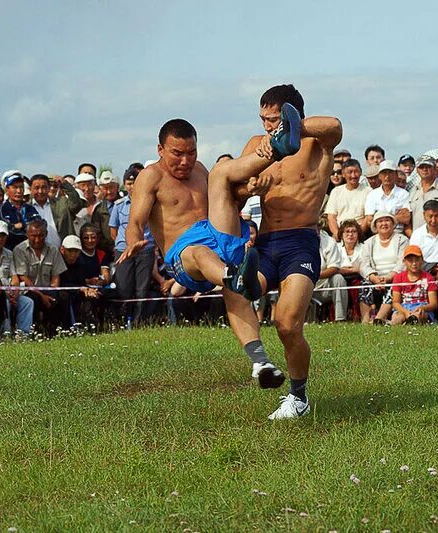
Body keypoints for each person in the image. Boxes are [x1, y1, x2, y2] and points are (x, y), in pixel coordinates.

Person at [119, 116, 287, 390]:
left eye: (191, 152)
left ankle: (261, 363)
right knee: (200, 254)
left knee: (222, 174)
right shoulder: (150, 176)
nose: (185, 161)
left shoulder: (199, 170)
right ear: (160, 150)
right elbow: (135, 222)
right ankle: (234, 276)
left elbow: (227, 200)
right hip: (184, 255)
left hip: (218, 239)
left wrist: (250, 191)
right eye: (177, 154)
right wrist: (134, 241)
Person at [227, 84, 343, 418]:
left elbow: (335, 125)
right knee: (234, 292)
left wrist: (291, 129)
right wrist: (250, 186)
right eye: (263, 119)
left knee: (287, 324)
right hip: (264, 242)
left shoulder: (316, 143)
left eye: (274, 119)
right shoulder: (256, 145)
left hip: (300, 242)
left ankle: (299, 398)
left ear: (291, 115)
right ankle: (260, 361)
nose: (266, 127)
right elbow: (232, 188)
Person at [110, 169, 158, 326]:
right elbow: (113, 231)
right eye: (129, 183)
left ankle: (138, 323)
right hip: (124, 250)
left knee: (142, 289)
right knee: (123, 287)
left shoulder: (151, 203)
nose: (132, 186)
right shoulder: (119, 205)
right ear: (124, 185)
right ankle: (123, 321)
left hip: (145, 249)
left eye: (135, 183)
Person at [12, 219, 70, 334]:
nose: (37, 239)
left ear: (46, 234)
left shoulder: (53, 250)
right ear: (27, 235)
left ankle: (63, 331)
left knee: (62, 296)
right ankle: (35, 332)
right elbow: (23, 277)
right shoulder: (19, 250)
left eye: (41, 235)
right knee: (35, 299)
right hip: (29, 290)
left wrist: (53, 292)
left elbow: (55, 276)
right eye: (33, 236)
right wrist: (42, 295)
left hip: (47, 288)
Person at [358, 212, 408, 324]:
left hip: (394, 277)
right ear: (375, 226)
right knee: (364, 285)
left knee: (394, 285)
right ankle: (365, 321)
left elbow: (402, 262)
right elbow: (364, 265)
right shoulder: (369, 242)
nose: (384, 224)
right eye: (380, 221)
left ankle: (378, 320)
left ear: (393, 223)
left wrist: (388, 278)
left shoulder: (402, 239)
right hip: (376, 278)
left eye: (387, 220)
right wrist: (374, 278)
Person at [0, 220, 34, 335]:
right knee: (5, 303)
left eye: (3, 235)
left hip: (9, 292)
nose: (0, 239)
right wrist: (6, 295)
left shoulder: (9, 253)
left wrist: (15, 293)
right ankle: (5, 334)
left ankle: (23, 335)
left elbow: (14, 277)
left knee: (28, 302)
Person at [29, 173, 85, 248]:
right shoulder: (26, 208)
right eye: (36, 188)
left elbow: (76, 203)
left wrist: (65, 184)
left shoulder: (61, 203)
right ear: (30, 189)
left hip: (63, 253)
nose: (40, 191)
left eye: (44, 187)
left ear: (49, 188)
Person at [389, 245, 437, 325]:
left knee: (418, 315)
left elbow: (434, 304)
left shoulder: (428, 278)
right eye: (410, 260)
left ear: (422, 260)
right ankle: (391, 323)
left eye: (417, 260)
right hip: (404, 307)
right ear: (404, 262)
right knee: (398, 317)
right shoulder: (398, 277)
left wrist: (421, 308)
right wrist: (405, 312)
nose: (414, 263)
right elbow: (395, 302)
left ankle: (412, 321)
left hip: (421, 307)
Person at [363, 160, 412, 237]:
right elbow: (369, 220)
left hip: (398, 234)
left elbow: (406, 218)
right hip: (378, 236)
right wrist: (396, 217)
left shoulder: (403, 194)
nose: (387, 176)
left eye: (390, 173)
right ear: (379, 175)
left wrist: (379, 218)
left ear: (395, 174)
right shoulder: (372, 195)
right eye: (384, 173)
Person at [409, 154, 438, 229]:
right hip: (417, 238)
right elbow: (408, 220)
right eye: (421, 167)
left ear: (435, 169)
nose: (424, 169)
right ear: (417, 170)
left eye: (428, 166)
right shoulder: (412, 191)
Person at [312, 230, 348, 321]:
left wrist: (315, 276)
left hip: (323, 286)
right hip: (301, 284)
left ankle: (340, 319)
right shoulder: (296, 240)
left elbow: (334, 268)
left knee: (338, 278)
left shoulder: (329, 242)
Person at [1, 171, 41, 250]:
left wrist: (21, 225)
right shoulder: (2, 208)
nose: (19, 191)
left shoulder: (30, 208)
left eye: (21, 187)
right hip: (11, 250)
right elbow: (9, 232)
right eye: (15, 187)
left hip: (31, 250)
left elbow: (39, 226)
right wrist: (28, 226)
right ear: (7, 190)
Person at [93, 171, 120, 255]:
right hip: (106, 253)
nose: (108, 191)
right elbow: (96, 233)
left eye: (111, 187)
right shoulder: (98, 210)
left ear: (117, 187)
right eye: (105, 188)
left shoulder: (127, 205)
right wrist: (111, 248)